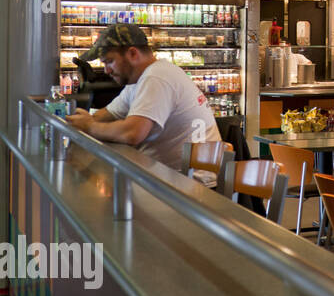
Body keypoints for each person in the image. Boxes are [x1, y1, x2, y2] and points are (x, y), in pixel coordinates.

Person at [64, 24, 221, 184]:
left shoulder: (157, 77)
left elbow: (132, 133)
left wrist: (89, 126)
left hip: (190, 188)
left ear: (133, 53)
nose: (106, 71)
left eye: (110, 62)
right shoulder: (138, 81)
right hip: (167, 179)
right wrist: (77, 121)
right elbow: (108, 115)